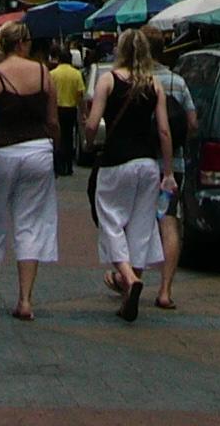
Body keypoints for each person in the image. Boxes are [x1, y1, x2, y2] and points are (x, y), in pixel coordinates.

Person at [0, 19, 59, 320]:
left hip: (3, 153)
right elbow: (52, 121)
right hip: (39, 152)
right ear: (22, 43)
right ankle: (25, 299)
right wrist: (56, 147)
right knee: (31, 222)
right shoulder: (44, 73)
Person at [83, 29, 173, 322]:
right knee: (141, 226)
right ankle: (128, 292)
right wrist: (168, 171)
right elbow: (163, 130)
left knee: (111, 220)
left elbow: (93, 124)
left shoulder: (108, 80)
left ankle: (128, 277)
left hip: (116, 161)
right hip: (147, 164)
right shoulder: (154, 84)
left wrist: (88, 140)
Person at [147, 41, 195, 312]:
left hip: (143, 161)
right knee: (169, 221)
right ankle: (165, 290)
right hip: (173, 166)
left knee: (138, 221)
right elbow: (192, 122)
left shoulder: (139, 81)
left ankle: (130, 279)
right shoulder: (178, 82)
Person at [49, 47, 86, 177]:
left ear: (59, 59)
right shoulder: (76, 74)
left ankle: (58, 166)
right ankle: (69, 166)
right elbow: (80, 95)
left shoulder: (53, 74)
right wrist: (83, 112)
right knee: (69, 137)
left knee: (57, 137)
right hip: (70, 109)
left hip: (57, 109)